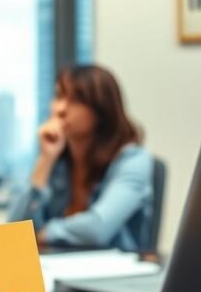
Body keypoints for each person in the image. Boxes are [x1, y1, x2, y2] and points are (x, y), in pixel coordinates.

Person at [8, 65, 153, 251]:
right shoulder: (56, 160)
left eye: (75, 100)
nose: (60, 109)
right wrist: (45, 160)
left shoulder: (132, 159)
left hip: (115, 274)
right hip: (58, 270)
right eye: (59, 96)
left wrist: (42, 234)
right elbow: (13, 231)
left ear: (101, 111)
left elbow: (97, 229)